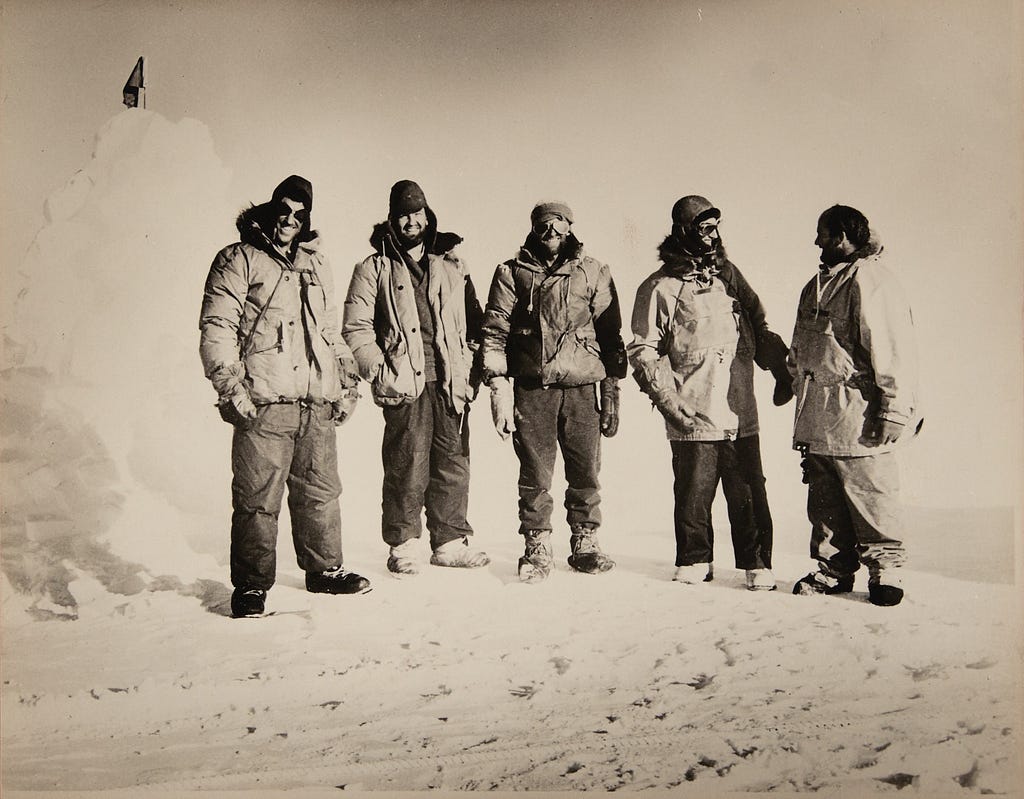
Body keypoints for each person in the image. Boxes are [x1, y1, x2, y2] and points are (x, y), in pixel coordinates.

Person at [199, 175, 371, 618]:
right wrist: (230, 386)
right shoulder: (239, 259)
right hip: (264, 399)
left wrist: (346, 381)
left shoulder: (317, 264)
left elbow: (328, 331)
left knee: (320, 491)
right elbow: (217, 328)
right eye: (284, 211)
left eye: (300, 215)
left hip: (314, 401)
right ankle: (252, 586)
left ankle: (324, 570)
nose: (290, 221)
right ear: (269, 210)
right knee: (258, 497)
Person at [628, 195, 791, 590]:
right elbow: (643, 349)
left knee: (749, 490)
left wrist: (782, 370)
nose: (712, 235)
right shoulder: (660, 287)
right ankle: (695, 558)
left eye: (715, 227)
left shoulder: (729, 276)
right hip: (692, 405)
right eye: (703, 228)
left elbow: (758, 321)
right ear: (684, 231)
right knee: (693, 490)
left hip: (738, 406)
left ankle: (756, 563)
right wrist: (669, 403)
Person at [342, 180, 489, 576]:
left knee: (453, 462)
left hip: (449, 382)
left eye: (417, 212)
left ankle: (450, 541)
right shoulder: (374, 268)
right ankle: (404, 544)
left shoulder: (453, 266)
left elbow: (476, 322)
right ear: (392, 218)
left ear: (428, 215)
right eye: (403, 213)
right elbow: (356, 330)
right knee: (407, 464)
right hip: (406, 383)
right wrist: (382, 370)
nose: (411, 221)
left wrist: (470, 368)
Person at [481, 201, 627, 583]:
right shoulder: (511, 273)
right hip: (533, 388)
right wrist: (498, 389)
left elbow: (611, 334)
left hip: (582, 389)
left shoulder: (593, 271)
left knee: (586, 468)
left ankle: (586, 541)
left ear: (570, 228)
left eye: (559, 224)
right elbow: (494, 333)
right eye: (544, 225)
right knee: (535, 471)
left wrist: (611, 391)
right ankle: (537, 545)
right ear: (534, 228)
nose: (551, 231)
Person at [789, 205, 920, 607]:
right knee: (825, 501)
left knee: (871, 493)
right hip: (818, 413)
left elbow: (891, 346)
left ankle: (886, 571)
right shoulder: (818, 284)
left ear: (843, 236)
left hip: (858, 413)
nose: (816, 242)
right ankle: (833, 570)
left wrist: (894, 409)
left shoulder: (869, 279)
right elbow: (805, 346)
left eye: (823, 234)